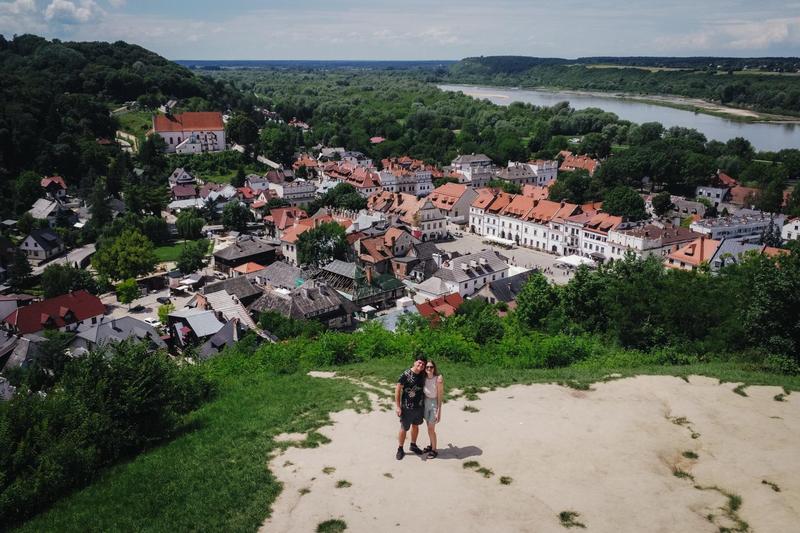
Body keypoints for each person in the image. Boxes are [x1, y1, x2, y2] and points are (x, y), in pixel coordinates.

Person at [395, 356, 427, 460]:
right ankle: (400, 449)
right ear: (414, 362)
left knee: (416, 426)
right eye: (419, 363)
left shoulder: (423, 374)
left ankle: (413, 445)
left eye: (423, 364)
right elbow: (398, 389)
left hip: (419, 407)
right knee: (404, 428)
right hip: (406, 407)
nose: (421, 365)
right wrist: (398, 406)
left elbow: (433, 373)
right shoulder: (406, 374)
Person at [422, 359, 444, 459]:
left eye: (431, 367)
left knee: (431, 429)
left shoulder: (438, 379)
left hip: (434, 403)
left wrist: (439, 410)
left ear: (434, 368)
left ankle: (434, 450)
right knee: (428, 427)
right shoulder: (424, 378)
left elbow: (440, 395)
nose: (429, 369)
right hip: (426, 403)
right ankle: (431, 446)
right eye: (427, 367)